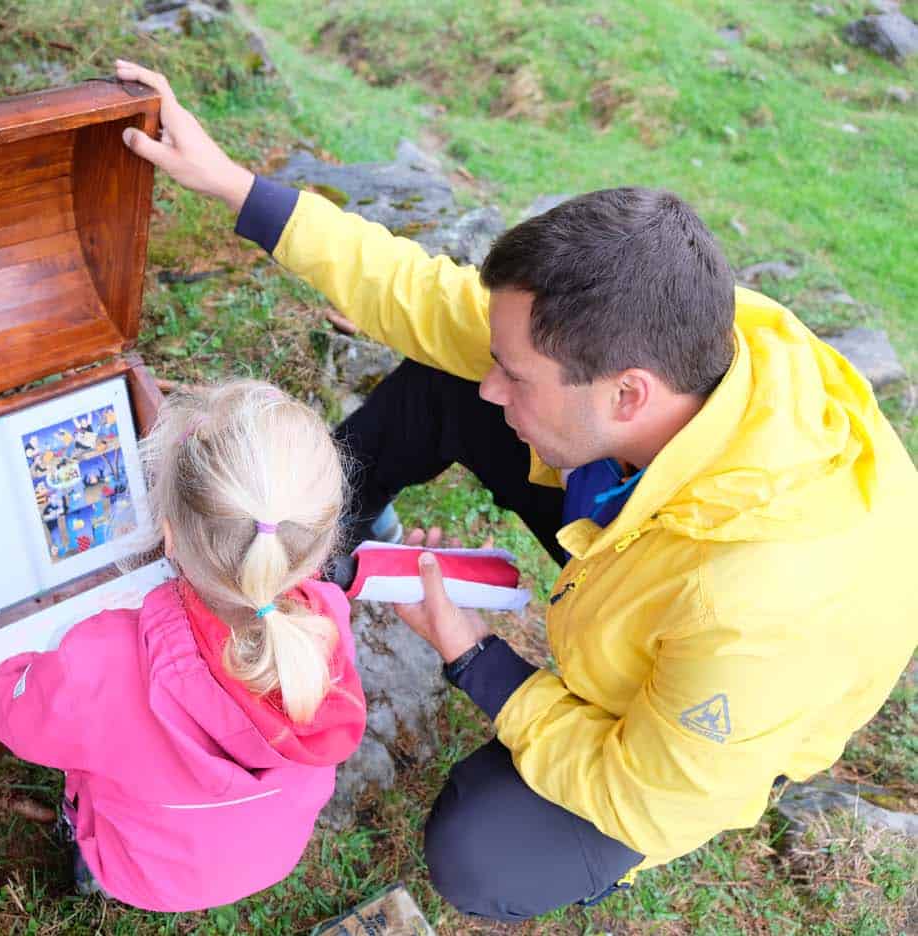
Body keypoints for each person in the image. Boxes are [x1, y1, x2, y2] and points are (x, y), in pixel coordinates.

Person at [113, 60, 918, 920]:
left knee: (478, 854)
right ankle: (318, 542)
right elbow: (432, 305)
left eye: (518, 378)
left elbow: (643, 793)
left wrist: (477, 660)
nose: (493, 393)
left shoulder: (754, 619)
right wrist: (237, 188)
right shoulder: (676, 336)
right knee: (450, 377)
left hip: (703, 702)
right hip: (654, 534)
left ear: (628, 393)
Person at [0, 380, 367, 912]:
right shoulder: (329, 624)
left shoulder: (99, 662)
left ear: (168, 535)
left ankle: (87, 858)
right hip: (269, 854)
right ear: (319, 545)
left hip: (143, 874)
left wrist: (17, 668)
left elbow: (14, 717)